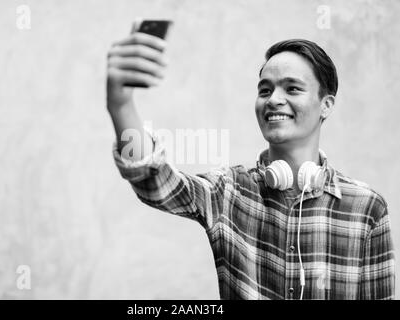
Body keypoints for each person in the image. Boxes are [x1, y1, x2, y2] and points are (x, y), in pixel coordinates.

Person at [106, 31, 395, 299]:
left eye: (292, 89)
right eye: (265, 90)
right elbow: (155, 182)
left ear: (326, 105)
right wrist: (121, 106)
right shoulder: (228, 191)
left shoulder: (367, 208)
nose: (274, 100)